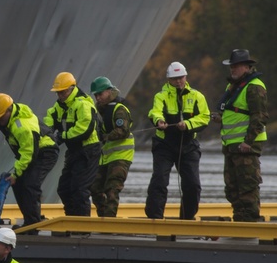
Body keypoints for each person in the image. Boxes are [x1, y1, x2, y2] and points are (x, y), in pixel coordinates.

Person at [144, 61, 211, 220]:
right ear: (169, 80)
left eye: (181, 77)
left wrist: (187, 124)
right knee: (159, 181)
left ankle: (187, 218)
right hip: (164, 145)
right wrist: (159, 122)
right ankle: (155, 217)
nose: (178, 81)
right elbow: (155, 112)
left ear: (186, 76)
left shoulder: (197, 96)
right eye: (175, 78)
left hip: (188, 146)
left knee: (193, 185)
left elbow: (204, 117)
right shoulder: (161, 96)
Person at [0, 93, 59, 229]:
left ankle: (33, 224)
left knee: (30, 185)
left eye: (1, 116)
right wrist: (17, 176)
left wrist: (16, 173)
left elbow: (28, 153)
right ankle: (30, 219)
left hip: (45, 152)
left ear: (9, 110)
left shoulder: (21, 127)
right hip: (33, 152)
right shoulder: (10, 119)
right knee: (19, 183)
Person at [217, 49, 268, 222]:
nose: (233, 69)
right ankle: (240, 219)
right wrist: (219, 118)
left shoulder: (254, 86)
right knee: (232, 187)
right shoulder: (233, 86)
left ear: (247, 67)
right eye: (232, 66)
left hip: (246, 146)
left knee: (247, 186)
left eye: (237, 66)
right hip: (231, 145)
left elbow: (259, 116)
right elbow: (235, 112)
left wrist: (248, 142)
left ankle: (250, 220)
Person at [43, 72, 101, 216]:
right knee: (64, 188)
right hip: (74, 151)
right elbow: (50, 118)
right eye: (58, 92)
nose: (60, 95)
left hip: (89, 151)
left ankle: (82, 226)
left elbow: (84, 130)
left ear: (71, 88)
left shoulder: (83, 104)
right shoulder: (60, 106)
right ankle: (71, 219)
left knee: (80, 189)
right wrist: (46, 133)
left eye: (62, 92)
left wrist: (62, 136)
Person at [88, 77, 135, 217]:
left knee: (112, 189)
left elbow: (122, 130)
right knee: (95, 188)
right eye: (96, 95)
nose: (98, 98)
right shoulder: (100, 111)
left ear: (109, 91)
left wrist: (105, 137)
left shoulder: (119, 109)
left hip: (121, 156)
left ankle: (109, 221)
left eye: (100, 94)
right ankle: (103, 216)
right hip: (106, 157)